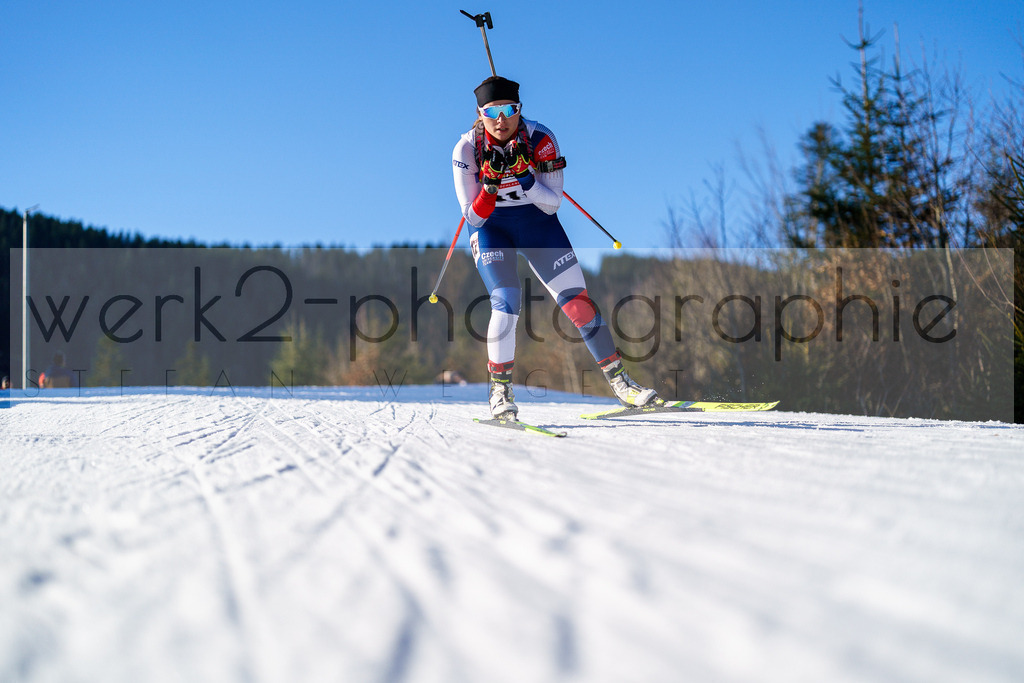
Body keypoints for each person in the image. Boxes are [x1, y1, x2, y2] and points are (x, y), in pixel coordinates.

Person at [452, 75, 657, 419]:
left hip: (538, 224)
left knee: (578, 303)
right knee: (506, 300)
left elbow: (552, 204)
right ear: (479, 112)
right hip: (492, 228)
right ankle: (500, 391)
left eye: (509, 109)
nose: (501, 119)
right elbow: (472, 216)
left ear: (520, 109)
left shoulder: (541, 138)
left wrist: (525, 177)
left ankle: (622, 385)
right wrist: (490, 187)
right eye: (492, 111)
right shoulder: (466, 149)